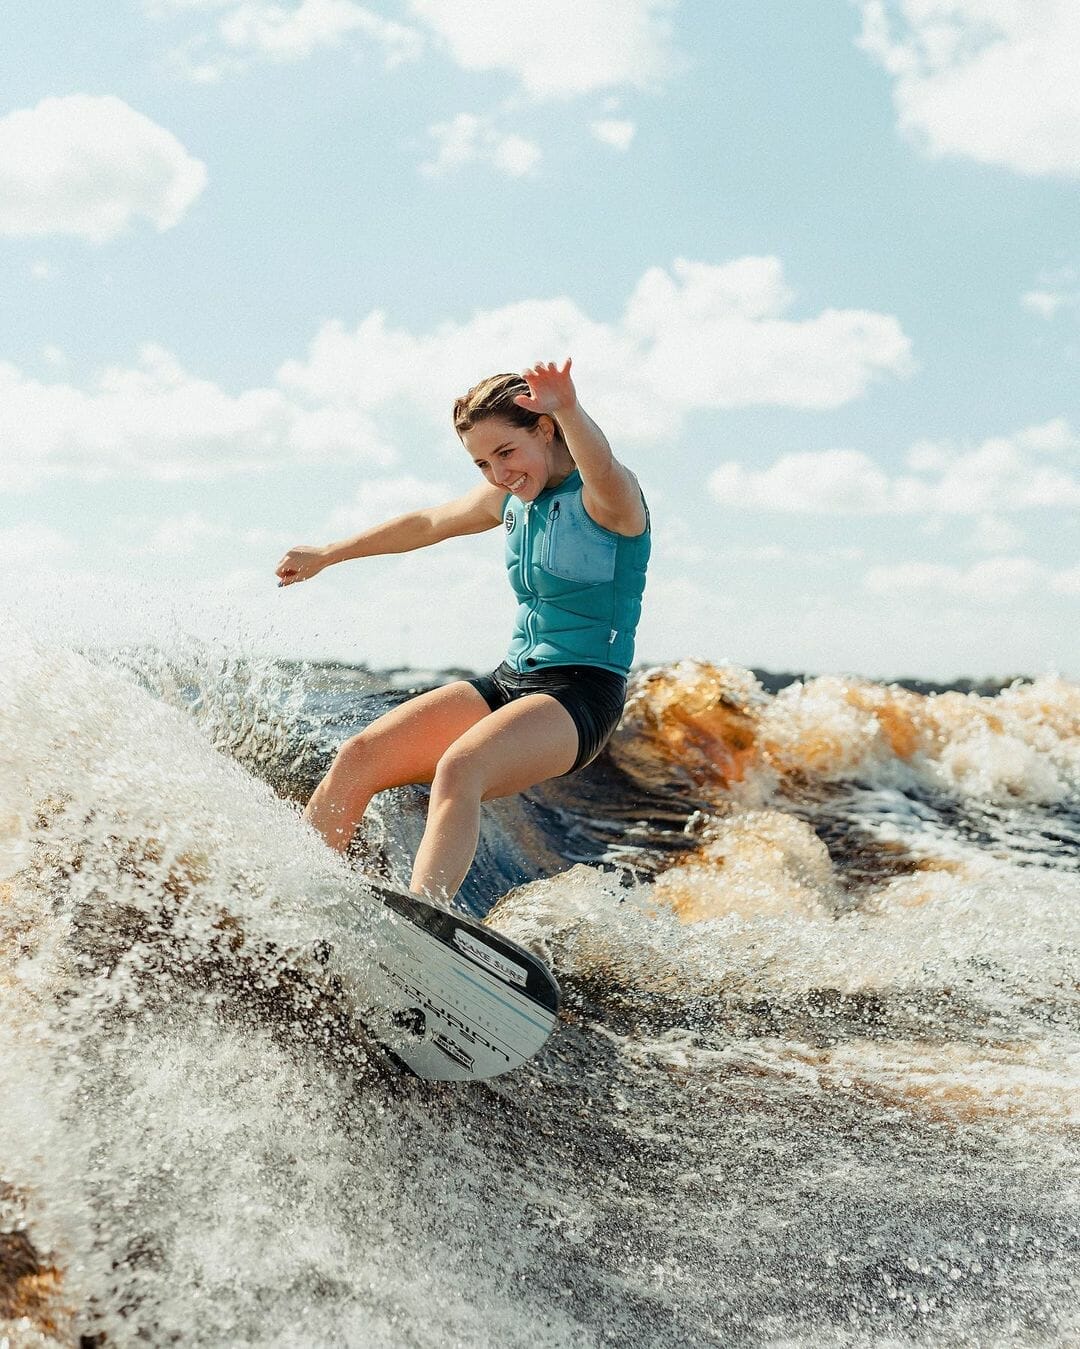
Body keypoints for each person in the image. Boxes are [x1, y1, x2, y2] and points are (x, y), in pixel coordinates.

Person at [275, 358, 650, 904]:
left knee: (461, 765)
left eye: (506, 453)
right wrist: (331, 553)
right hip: (511, 679)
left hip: (580, 694)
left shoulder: (610, 501)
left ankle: (429, 918)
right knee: (358, 757)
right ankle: (293, 904)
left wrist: (568, 407)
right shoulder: (512, 501)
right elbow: (429, 523)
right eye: (482, 464)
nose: (499, 475)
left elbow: (600, 465)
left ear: (544, 430)